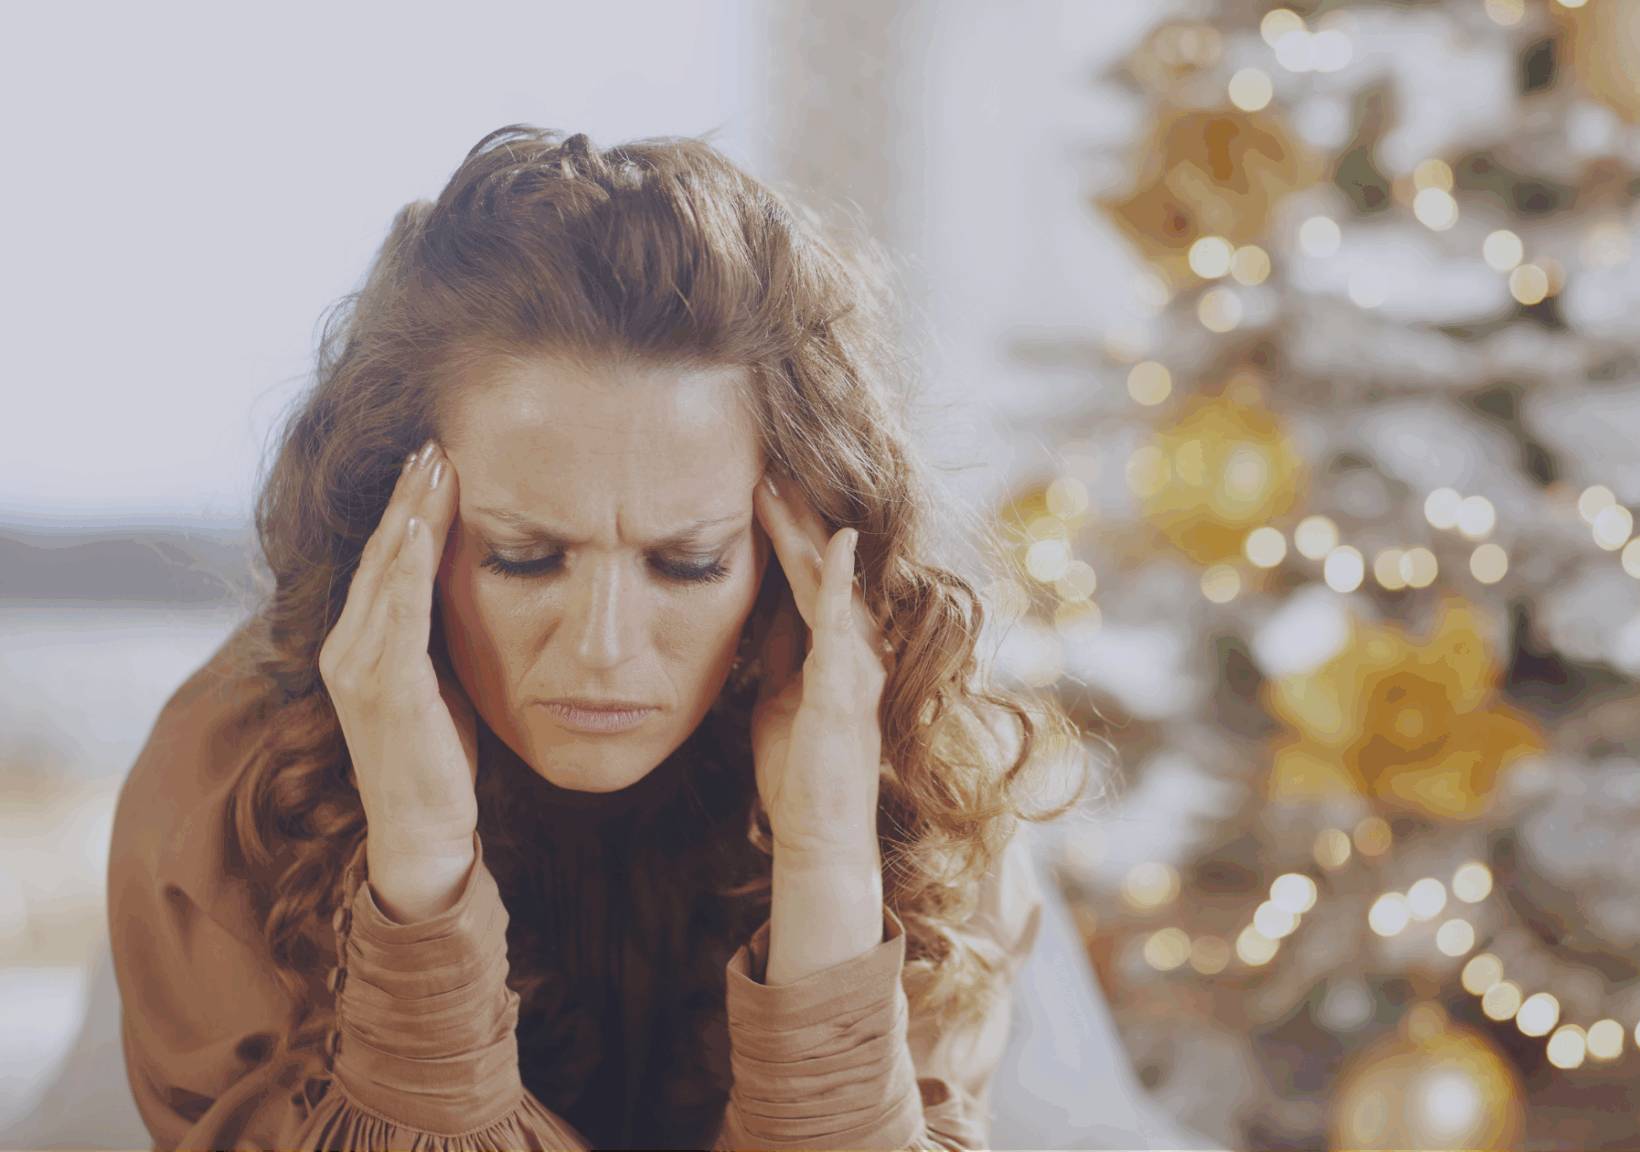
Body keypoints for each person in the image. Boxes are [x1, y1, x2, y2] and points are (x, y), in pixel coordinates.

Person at [107, 124, 1083, 1151]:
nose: (605, 649)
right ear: (393, 531)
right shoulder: (226, 783)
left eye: (686, 562)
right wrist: (421, 872)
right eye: (525, 557)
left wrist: (829, 865)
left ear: (780, 559)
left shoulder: (910, 772)